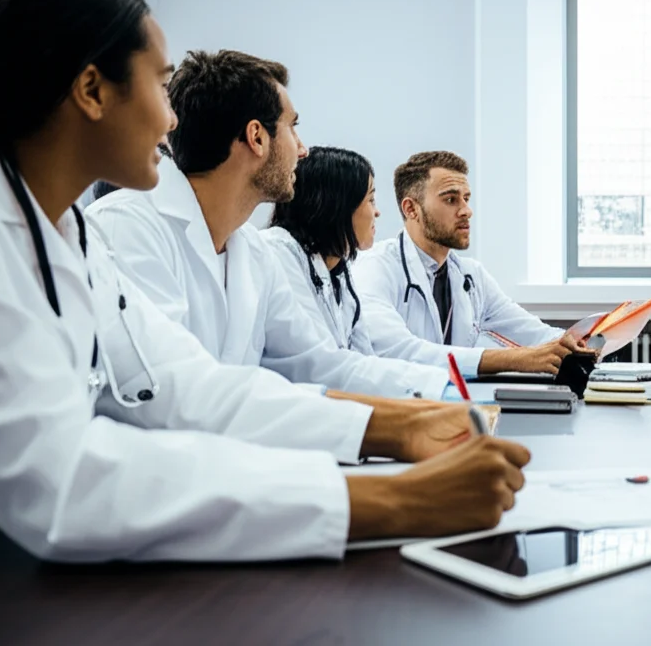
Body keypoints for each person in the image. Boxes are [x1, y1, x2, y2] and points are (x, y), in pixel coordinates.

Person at [0, 0, 529, 562]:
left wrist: (398, 429)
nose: (172, 120)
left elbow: (189, 385)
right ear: (92, 90)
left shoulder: (66, 232)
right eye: (159, 85)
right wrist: (393, 501)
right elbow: (60, 482)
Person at [86, 50, 452, 400]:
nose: (303, 148)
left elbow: (318, 364)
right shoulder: (127, 228)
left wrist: (444, 391)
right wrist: (394, 427)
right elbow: (171, 392)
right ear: (256, 137)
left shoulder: (250, 250)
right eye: (292, 127)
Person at [352, 151, 588, 378]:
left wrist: (581, 341)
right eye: (451, 199)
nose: (466, 211)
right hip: (400, 409)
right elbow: (398, 352)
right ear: (411, 208)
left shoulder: (470, 275)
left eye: (466, 199)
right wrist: (516, 359)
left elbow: (533, 333)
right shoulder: (375, 268)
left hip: (454, 406)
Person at [263, 146, 385, 356]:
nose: (377, 212)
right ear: (338, 205)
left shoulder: (338, 272)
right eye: (371, 200)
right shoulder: (279, 253)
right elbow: (318, 361)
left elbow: (364, 356)